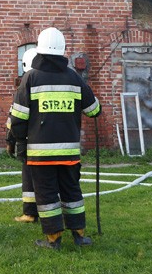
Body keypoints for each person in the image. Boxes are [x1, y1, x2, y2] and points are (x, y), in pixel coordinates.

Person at [8, 27, 101, 250]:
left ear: (39, 50)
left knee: (47, 194)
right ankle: (79, 234)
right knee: (72, 191)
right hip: (69, 153)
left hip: (40, 154)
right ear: (62, 51)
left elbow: (19, 117)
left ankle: (53, 239)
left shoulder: (31, 78)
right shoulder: (74, 78)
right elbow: (94, 110)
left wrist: (19, 141)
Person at [6, 48, 39, 223]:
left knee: (29, 176)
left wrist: (10, 141)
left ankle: (29, 213)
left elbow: (15, 118)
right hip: (53, 143)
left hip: (29, 142)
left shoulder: (25, 86)